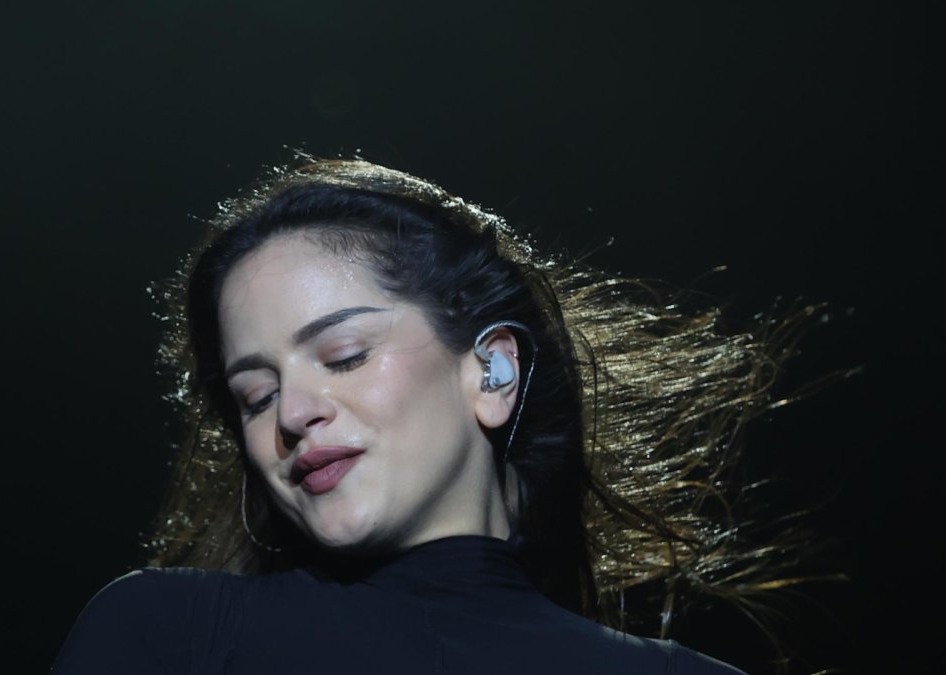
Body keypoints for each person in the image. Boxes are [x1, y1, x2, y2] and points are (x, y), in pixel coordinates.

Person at [52, 157, 821, 674]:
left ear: (491, 372)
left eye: (345, 355)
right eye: (255, 394)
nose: (294, 411)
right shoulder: (164, 636)